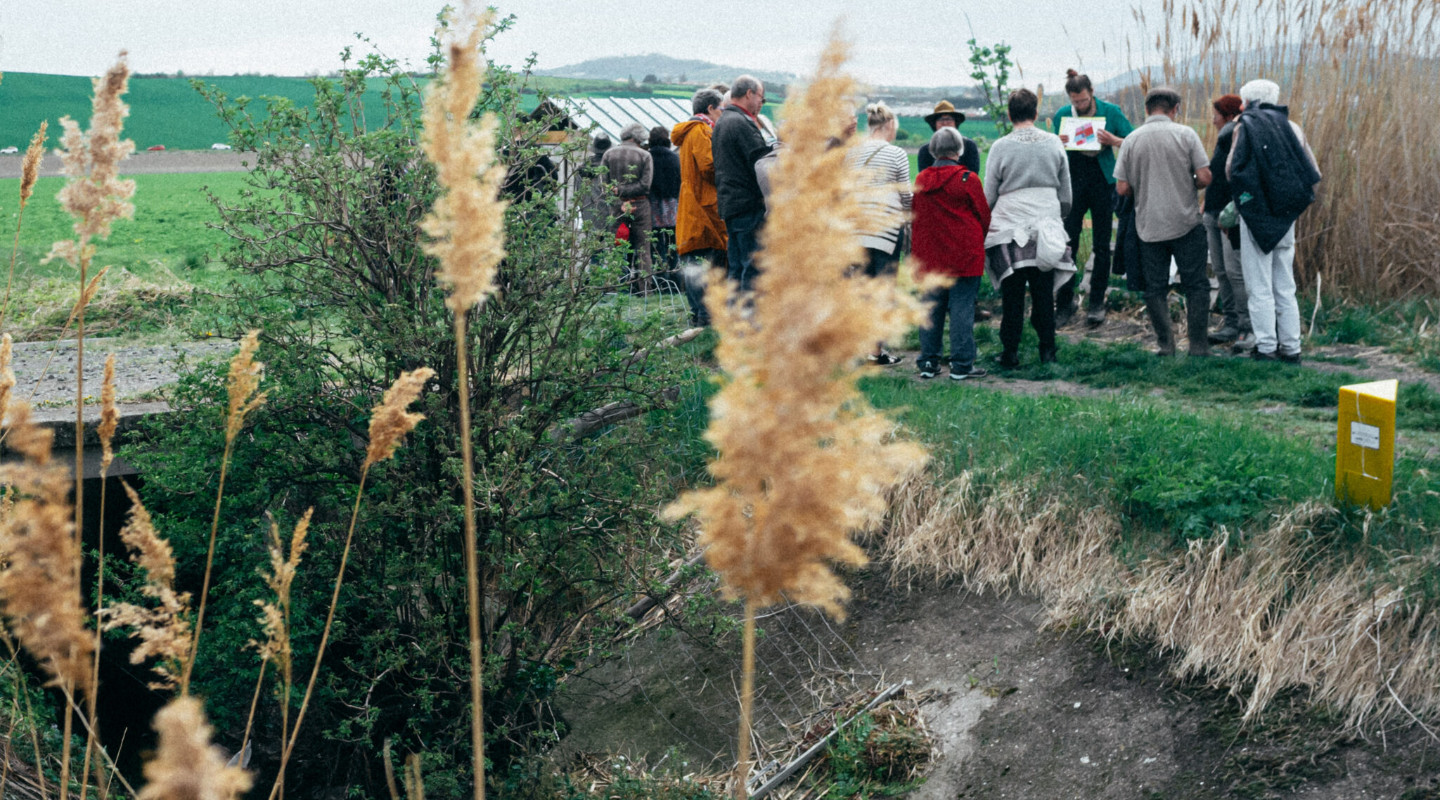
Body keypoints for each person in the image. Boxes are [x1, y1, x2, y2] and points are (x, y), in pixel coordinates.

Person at [1113, 87, 1213, 357]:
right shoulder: (1186, 135)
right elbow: (1204, 177)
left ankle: (1166, 345)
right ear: (1174, 109)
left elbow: (1122, 188)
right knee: (1196, 285)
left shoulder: (1132, 140)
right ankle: (1198, 346)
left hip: (1149, 226)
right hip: (1186, 222)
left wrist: (1141, 187)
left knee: (1154, 287)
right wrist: (1189, 182)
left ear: (1147, 109)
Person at [1227, 79, 1321, 364]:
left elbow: (1232, 170)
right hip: (1286, 217)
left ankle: (1266, 347)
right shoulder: (1292, 127)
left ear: (1248, 100)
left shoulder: (1245, 125)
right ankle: (1291, 348)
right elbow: (1313, 171)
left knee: (1259, 286)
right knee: (1285, 284)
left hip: (1257, 219)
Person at [983, 88, 1074, 368]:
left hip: (1009, 227)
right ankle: (1048, 350)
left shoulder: (1000, 147)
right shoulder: (1054, 144)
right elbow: (1066, 194)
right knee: (1043, 292)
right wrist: (1057, 216)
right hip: (1044, 226)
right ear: (1036, 113)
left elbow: (989, 194)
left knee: (1012, 294)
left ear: (1009, 115)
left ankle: (1010, 353)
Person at [1052, 69, 1135, 327]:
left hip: (1102, 181)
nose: (1079, 105)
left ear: (1092, 93)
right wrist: (1058, 141)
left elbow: (1133, 140)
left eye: (1084, 101)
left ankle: (1097, 302)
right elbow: (1055, 151)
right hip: (1073, 181)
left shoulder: (1110, 112)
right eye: (1075, 101)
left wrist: (1114, 140)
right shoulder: (1062, 115)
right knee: (1069, 242)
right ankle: (1065, 302)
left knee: (1101, 245)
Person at [912, 127, 992, 380]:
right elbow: (984, 217)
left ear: (933, 150)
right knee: (961, 308)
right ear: (959, 150)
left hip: (930, 256)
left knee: (931, 308)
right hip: (964, 256)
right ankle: (961, 365)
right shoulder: (968, 180)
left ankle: (928, 362)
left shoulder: (921, 180)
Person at [849, 102, 913, 366]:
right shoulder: (897, 154)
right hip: (886, 230)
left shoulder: (851, 153)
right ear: (888, 126)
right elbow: (906, 196)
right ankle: (875, 352)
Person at [671, 88, 728, 326]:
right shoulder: (701, 130)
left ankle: (700, 313)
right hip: (703, 207)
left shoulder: (688, 132)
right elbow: (709, 166)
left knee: (694, 264)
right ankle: (705, 315)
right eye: (721, 109)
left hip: (692, 205)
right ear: (711, 109)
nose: (723, 114)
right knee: (705, 263)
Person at [711, 75, 773, 291]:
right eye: (761, 98)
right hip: (748, 205)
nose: (760, 104)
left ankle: (734, 317)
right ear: (749, 94)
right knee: (753, 266)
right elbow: (760, 163)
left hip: (730, 204)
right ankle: (748, 318)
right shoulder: (741, 123)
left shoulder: (723, 121)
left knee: (736, 267)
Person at [1201, 93, 1252, 351]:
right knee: (1222, 270)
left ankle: (1245, 325)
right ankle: (1231, 322)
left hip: (1227, 214)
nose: (1213, 120)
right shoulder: (1224, 139)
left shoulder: (1235, 135)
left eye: (1216, 115)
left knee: (1233, 271)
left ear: (1230, 116)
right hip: (1212, 210)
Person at [602, 123, 655, 292]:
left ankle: (611, 285)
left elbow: (605, 186)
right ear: (638, 138)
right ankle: (644, 287)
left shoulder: (609, 154)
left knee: (614, 245)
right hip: (640, 204)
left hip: (616, 206)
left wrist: (620, 199)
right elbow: (646, 185)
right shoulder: (645, 155)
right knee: (643, 247)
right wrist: (630, 197)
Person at [647, 126, 681, 278]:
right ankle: (673, 276)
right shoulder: (674, 158)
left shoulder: (647, 156)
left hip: (652, 205)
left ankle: (659, 277)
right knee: (671, 242)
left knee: (655, 243)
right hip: (671, 205)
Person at [916, 100, 980, 174]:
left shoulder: (969, 146)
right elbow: (924, 180)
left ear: (956, 123)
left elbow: (972, 176)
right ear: (934, 124)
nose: (945, 123)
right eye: (941, 120)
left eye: (949, 119)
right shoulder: (925, 151)